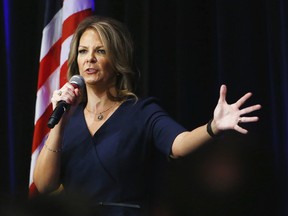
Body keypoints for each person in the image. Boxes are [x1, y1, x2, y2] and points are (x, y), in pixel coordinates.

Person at [33, 15, 261, 216]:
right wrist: (59, 124)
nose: (89, 58)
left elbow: (178, 144)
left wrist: (213, 126)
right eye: (83, 51)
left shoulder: (140, 111)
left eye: (100, 51)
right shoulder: (68, 118)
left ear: (117, 59)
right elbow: (44, 185)